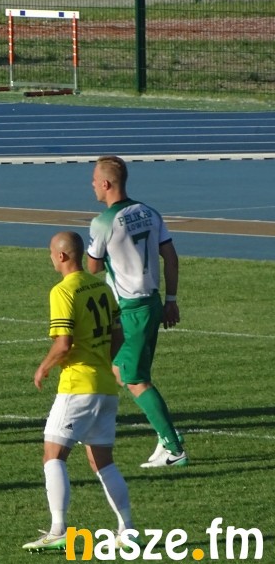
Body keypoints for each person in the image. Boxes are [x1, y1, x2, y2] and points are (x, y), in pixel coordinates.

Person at [23, 231, 134, 552]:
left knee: (53, 455)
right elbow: (118, 336)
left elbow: (64, 343)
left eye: (50, 253)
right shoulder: (101, 287)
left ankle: (58, 530)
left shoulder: (63, 291)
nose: (50, 258)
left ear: (61, 256)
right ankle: (128, 531)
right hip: (105, 387)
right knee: (103, 462)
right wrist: (104, 362)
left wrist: (43, 367)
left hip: (77, 386)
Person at [87, 155, 187, 468]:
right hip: (152, 303)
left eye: (94, 180)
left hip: (131, 310)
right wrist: (171, 300)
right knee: (119, 371)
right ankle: (165, 433)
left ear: (106, 183)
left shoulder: (103, 222)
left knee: (136, 379)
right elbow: (171, 258)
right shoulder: (150, 212)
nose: (92, 184)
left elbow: (92, 266)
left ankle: (173, 447)